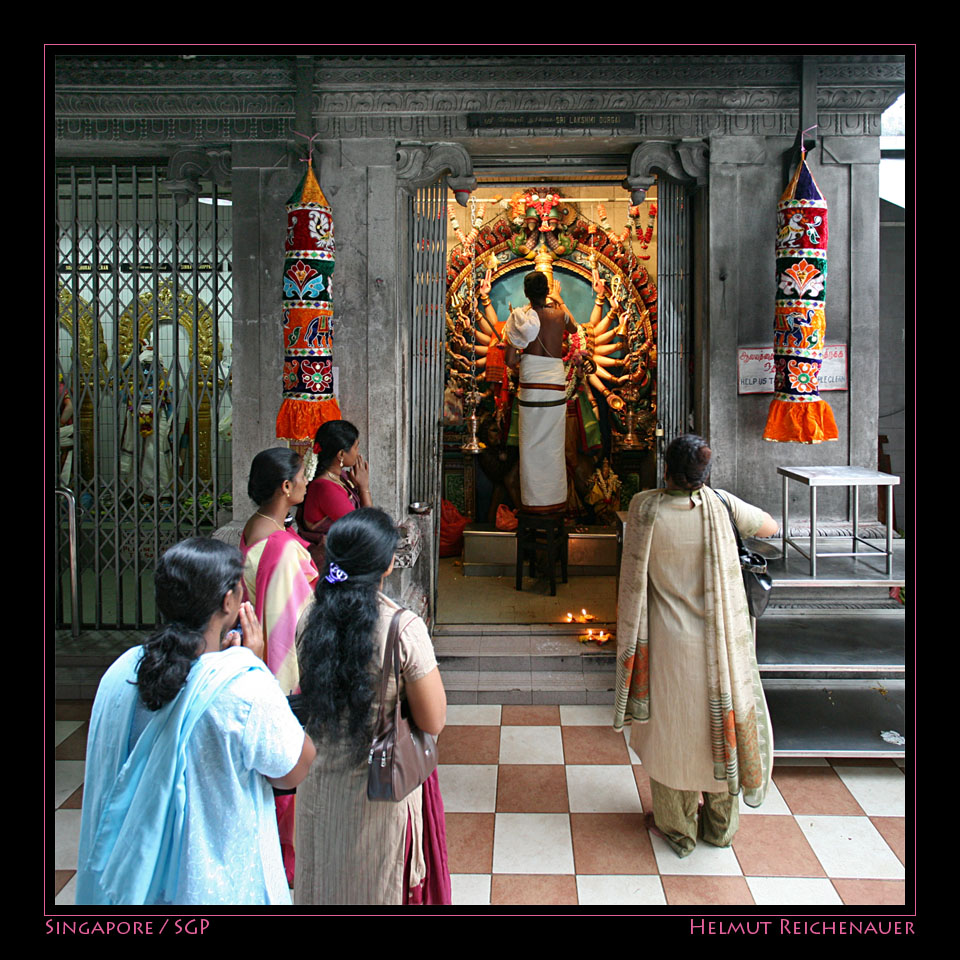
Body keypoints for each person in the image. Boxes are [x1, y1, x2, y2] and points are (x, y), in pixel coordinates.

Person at [75, 537, 316, 905]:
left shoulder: (120, 671)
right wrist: (254, 668)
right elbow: (294, 767)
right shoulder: (243, 686)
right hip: (213, 886)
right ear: (228, 601)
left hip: (133, 888)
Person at [613, 434, 779, 858]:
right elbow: (771, 527)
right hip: (719, 650)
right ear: (705, 475)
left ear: (666, 470)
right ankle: (720, 829)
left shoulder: (645, 508)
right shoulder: (722, 506)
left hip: (668, 648)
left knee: (672, 737)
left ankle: (678, 828)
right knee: (718, 734)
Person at [294, 508, 450, 905]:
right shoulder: (402, 628)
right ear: (385, 565)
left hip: (319, 788)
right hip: (378, 794)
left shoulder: (311, 615)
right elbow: (433, 720)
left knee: (322, 887)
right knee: (375, 890)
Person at [241, 447, 319, 883]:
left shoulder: (257, 528)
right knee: (289, 767)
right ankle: (289, 862)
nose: (307, 484)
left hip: (258, 657)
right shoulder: (283, 549)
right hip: (282, 672)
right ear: (286, 488)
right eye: (301, 478)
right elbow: (287, 626)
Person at [503, 270, 579, 514]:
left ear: (526, 293)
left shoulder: (521, 319)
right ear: (547, 291)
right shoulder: (560, 315)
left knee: (531, 447)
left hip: (532, 387)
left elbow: (510, 360)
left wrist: (519, 357)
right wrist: (559, 300)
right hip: (556, 387)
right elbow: (575, 328)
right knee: (554, 447)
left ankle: (533, 504)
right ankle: (555, 502)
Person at [297, 419, 372, 569]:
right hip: (330, 567)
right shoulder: (325, 488)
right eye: (356, 447)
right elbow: (368, 527)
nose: (358, 454)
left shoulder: (342, 477)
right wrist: (364, 488)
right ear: (341, 454)